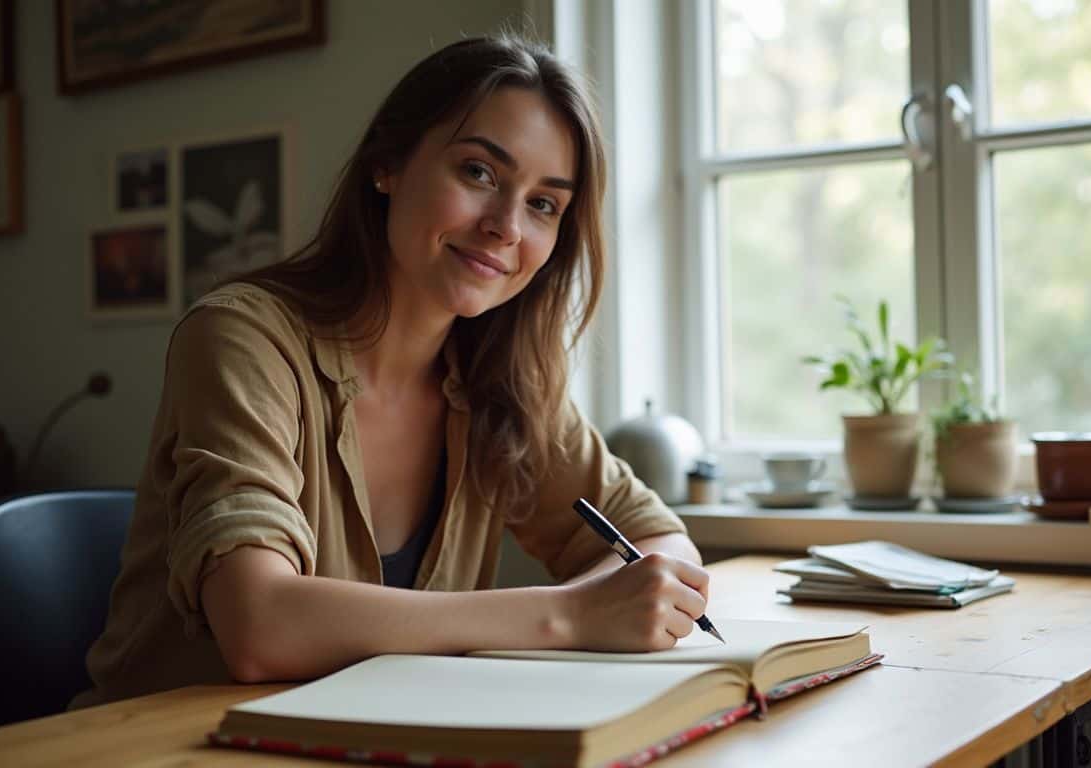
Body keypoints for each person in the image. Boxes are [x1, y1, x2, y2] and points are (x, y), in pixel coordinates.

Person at [72, 35, 710, 708]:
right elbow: (258, 626)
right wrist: (574, 615)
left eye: (543, 204)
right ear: (389, 164)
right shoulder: (242, 338)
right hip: (172, 747)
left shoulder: (502, 381)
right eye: (479, 173)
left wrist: (627, 597)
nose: (505, 226)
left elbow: (662, 541)